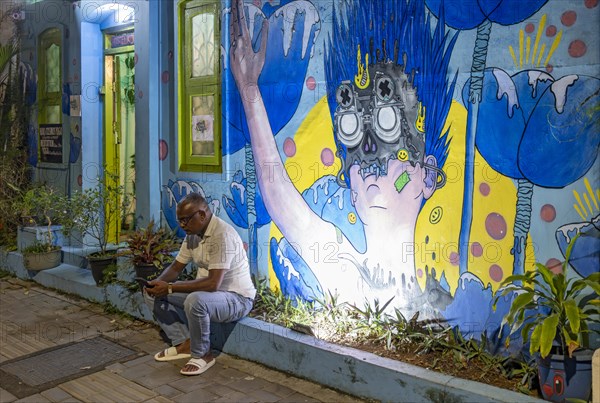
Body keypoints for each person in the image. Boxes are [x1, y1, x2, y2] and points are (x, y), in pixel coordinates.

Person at [229, 0, 453, 315]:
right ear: (351, 185)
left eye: (389, 128)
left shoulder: (440, 308)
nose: (372, 164)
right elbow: (279, 195)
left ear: (427, 177)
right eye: (356, 152)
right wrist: (249, 88)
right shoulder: (341, 266)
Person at [145, 193, 256, 376]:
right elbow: (175, 267)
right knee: (151, 293)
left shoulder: (222, 235)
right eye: (179, 220)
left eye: (186, 220)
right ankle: (184, 343)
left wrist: (171, 287)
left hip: (236, 299)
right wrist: (158, 283)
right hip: (211, 297)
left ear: (202, 215)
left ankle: (203, 354)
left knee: (195, 300)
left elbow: (213, 283)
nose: (182, 225)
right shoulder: (193, 235)